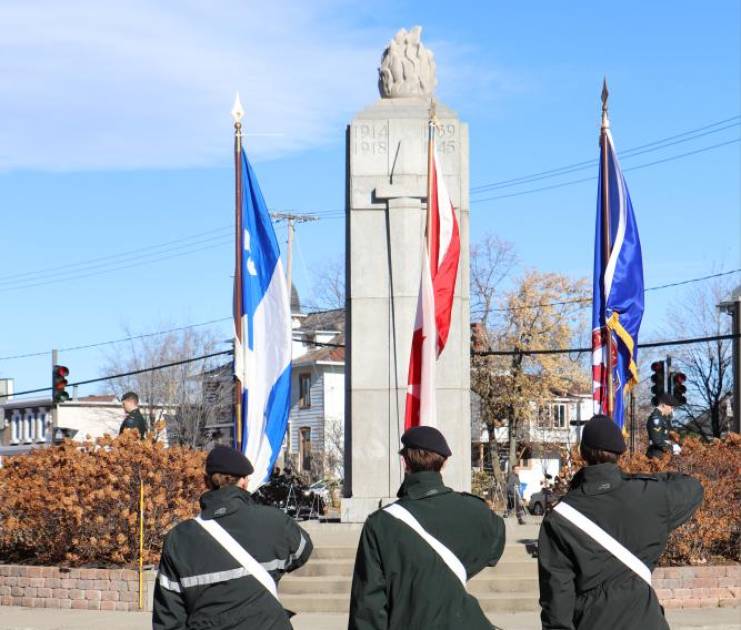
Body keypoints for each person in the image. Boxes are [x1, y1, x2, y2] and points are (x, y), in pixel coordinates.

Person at [538, 414, 703, 630]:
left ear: (582, 453)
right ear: (620, 453)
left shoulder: (560, 518)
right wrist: (637, 479)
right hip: (646, 622)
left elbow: (557, 600)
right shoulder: (650, 497)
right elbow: (692, 487)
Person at [348, 426, 506, 630]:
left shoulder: (380, 524)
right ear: (444, 462)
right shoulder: (478, 511)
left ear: (405, 462)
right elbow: (494, 550)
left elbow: (368, 607)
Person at [153, 445, 313, 630]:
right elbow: (303, 550)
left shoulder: (178, 539)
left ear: (206, 482)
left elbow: (168, 617)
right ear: (244, 482)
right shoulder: (273, 520)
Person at [646, 393, 680, 458]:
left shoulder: (663, 418)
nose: (671, 410)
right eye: (671, 407)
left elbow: (664, 437)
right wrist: (672, 447)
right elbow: (657, 441)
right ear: (664, 405)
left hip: (662, 455)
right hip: (656, 456)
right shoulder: (656, 419)